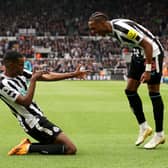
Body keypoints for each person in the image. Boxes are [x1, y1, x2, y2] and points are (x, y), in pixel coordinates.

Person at [88, 12, 165, 149]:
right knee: (130, 90)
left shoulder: (123, 30)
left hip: (151, 53)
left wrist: (147, 70)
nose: (93, 32)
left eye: (94, 28)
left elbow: (147, 45)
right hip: (138, 53)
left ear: (102, 23)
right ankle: (144, 127)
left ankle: (159, 134)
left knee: (153, 92)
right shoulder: (110, 30)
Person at [0, 51, 88, 155]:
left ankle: (26, 146)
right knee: (70, 149)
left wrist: (72, 74)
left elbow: (47, 76)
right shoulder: (2, 84)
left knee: (58, 146)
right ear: (10, 64)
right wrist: (33, 80)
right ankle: (28, 147)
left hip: (37, 119)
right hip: (33, 122)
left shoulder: (20, 72)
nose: (23, 67)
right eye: (20, 65)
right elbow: (25, 102)